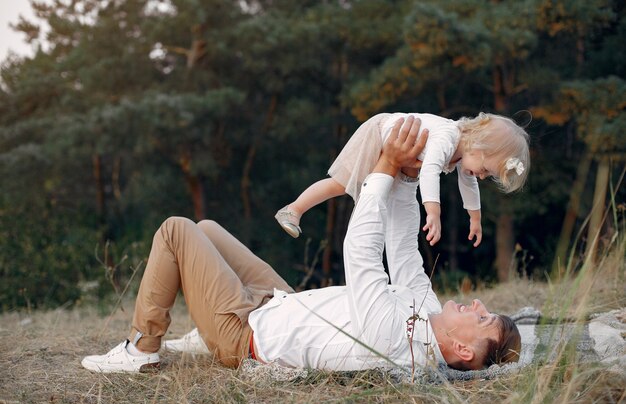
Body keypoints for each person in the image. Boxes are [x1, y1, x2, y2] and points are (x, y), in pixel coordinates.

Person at [81, 116, 521, 374]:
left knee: (177, 230)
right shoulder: (425, 312)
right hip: (280, 305)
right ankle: (198, 337)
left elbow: (361, 253)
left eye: (484, 319)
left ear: (463, 350)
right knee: (208, 228)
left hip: (247, 336)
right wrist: (406, 179)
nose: (478, 303)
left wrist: (385, 167)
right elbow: (404, 251)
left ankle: (140, 349)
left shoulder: (401, 337)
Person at [275, 112, 530, 248]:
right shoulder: (448, 138)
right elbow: (429, 169)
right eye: (485, 169)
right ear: (477, 145)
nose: (482, 176)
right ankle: (293, 210)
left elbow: (468, 183)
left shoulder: (465, 155)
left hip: (398, 149)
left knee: (380, 197)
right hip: (381, 132)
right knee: (343, 184)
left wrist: (475, 218)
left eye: (488, 175)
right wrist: (433, 212)